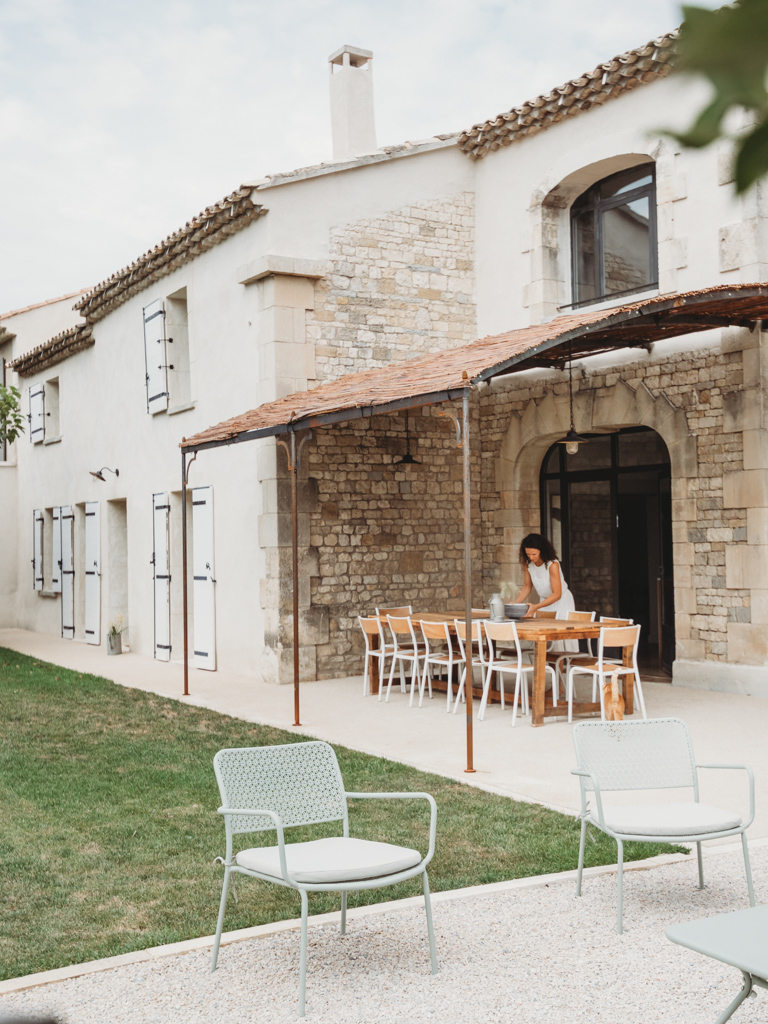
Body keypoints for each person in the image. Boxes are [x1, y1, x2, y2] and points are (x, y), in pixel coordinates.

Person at [515, 533, 578, 653]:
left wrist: (536, 607)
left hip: (561, 601)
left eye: (534, 554)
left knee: (559, 638)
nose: (531, 557)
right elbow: (527, 587)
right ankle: (548, 669)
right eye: (528, 554)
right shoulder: (528, 563)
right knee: (545, 637)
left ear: (541, 551)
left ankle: (561, 670)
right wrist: (515, 605)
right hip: (544, 601)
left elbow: (557, 594)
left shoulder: (552, 565)